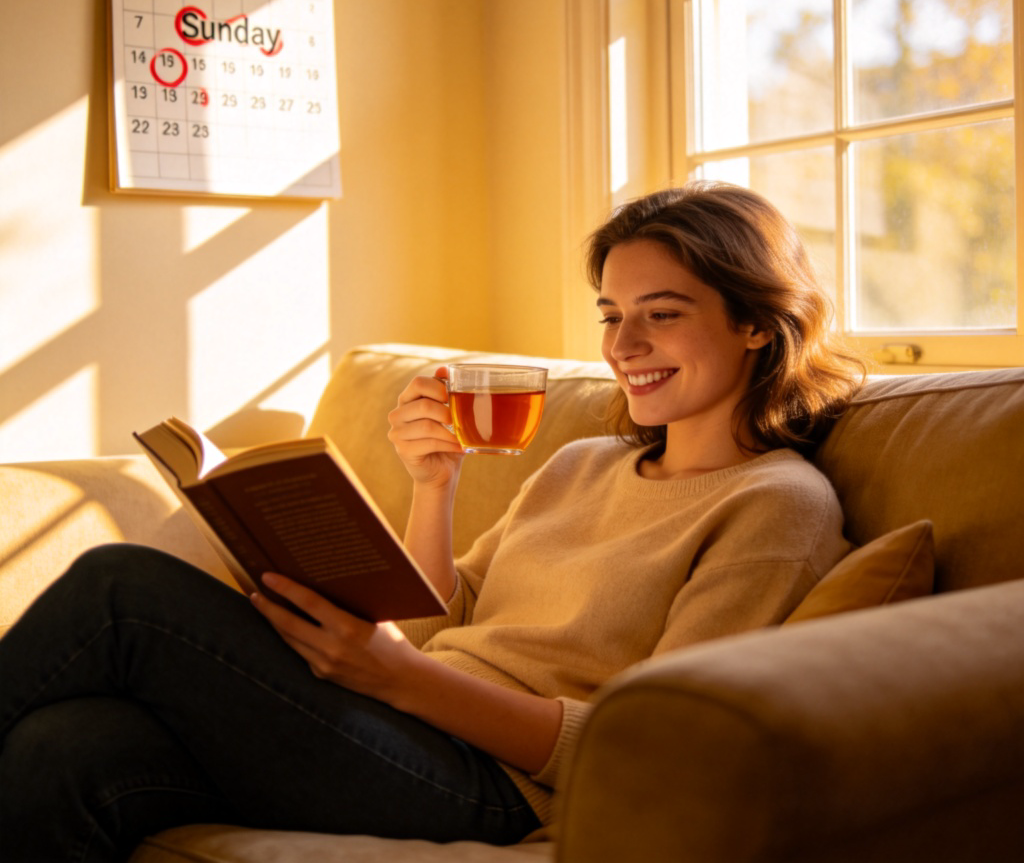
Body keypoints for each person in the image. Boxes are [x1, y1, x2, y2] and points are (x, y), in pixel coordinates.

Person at [0, 182, 866, 861]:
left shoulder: (776, 504)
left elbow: (648, 749)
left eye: (662, 314)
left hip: (494, 784)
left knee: (123, 589)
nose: (622, 345)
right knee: (65, 748)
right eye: (611, 315)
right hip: (401, 722)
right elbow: (436, 625)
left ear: (756, 323)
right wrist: (433, 486)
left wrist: (397, 679)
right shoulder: (582, 463)